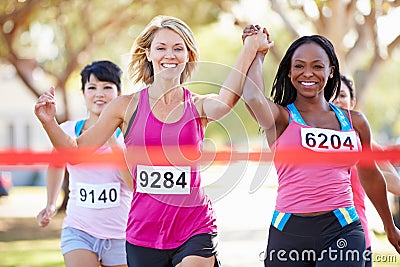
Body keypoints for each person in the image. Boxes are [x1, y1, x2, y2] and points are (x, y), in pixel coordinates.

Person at [34, 15, 273, 267]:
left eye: (178, 48)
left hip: (194, 227)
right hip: (143, 234)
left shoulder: (199, 106)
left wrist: (249, 47)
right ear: (148, 54)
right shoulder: (124, 106)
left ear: (188, 55)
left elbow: (227, 99)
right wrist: (48, 122)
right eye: (161, 48)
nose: (169, 55)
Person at [242, 25, 400, 266]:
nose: (308, 73)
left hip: (342, 228)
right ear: (288, 73)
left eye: (317, 66)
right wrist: (257, 53)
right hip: (288, 230)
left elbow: (370, 174)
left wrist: (390, 228)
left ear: (330, 71)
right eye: (299, 66)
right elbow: (252, 97)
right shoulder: (281, 119)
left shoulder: (354, 121)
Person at [36, 60, 132, 267]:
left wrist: (113, 141)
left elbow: (134, 184)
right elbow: (56, 164)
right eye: (92, 87)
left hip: (121, 235)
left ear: (119, 93)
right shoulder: (68, 131)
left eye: (107, 87)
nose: (100, 93)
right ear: (83, 93)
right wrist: (51, 204)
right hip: (79, 231)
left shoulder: (130, 135)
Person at [331, 74, 400, 266]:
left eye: (342, 95)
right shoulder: (314, 140)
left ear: (352, 102)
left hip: (357, 239)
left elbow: (395, 184)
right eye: (332, 95)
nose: (337, 100)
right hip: (319, 238)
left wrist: (365, 155)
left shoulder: (362, 142)